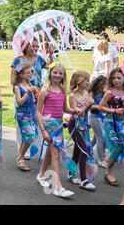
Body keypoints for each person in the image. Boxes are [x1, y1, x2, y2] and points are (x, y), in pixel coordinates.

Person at [35, 62, 76, 198]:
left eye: (60, 73)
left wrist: (76, 110)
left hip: (58, 126)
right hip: (48, 125)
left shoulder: (63, 90)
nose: (57, 75)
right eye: (55, 72)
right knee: (56, 154)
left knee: (50, 152)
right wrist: (43, 131)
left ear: (64, 75)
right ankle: (58, 187)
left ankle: (41, 175)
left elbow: (65, 109)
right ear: (50, 73)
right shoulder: (45, 90)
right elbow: (38, 112)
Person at [11, 38, 48, 160]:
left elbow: (49, 68)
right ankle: (22, 152)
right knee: (22, 121)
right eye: (33, 46)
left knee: (36, 119)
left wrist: (51, 56)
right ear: (26, 46)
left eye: (37, 46)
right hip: (21, 92)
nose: (36, 48)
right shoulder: (19, 60)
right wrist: (23, 85)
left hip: (36, 94)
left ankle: (34, 147)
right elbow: (13, 79)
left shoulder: (39, 59)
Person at [68, 71, 96, 190]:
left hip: (84, 126)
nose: (89, 83)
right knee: (84, 150)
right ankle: (84, 180)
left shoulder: (86, 93)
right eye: (87, 80)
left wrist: (90, 104)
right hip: (75, 125)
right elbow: (77, 113)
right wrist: (87, 105)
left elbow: (87, 110)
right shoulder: (72, 96)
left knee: (78, 151)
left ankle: (70, 172)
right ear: (79, 81)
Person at [99, 67, 124, 187]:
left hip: (121, 123)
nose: (116, 80)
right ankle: (108, 173)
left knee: (121, 147)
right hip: (110, 121)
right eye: (114, 78)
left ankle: (109, 171)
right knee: (115, 147)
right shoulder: (109, 92)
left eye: (119, 78)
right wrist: (115, 110)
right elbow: (100, 107)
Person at [13, 63, 38, 172]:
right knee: (30, 137)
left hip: (31, 113)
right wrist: (28, 93)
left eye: (30, 72)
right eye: (28, 72)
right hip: (22, 114)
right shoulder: (17, 87)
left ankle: (20, 156)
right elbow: (19, 102)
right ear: (22, 75)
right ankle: (21, 157)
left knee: (26, 137)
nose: (30, 74)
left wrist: (37, 94)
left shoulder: (30, 85)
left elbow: (33, 101)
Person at [89, 75, 108, 168]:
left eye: (104, 85)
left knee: (95, 138)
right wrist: (99, 107)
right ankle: (101, 159)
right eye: (101, 85)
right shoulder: (93, 92)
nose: (102, 87)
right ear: (97, 84)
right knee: (101, 137)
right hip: (94, 117)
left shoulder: (105, 93)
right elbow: (88, 105)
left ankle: (85, 151)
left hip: (102, 117)